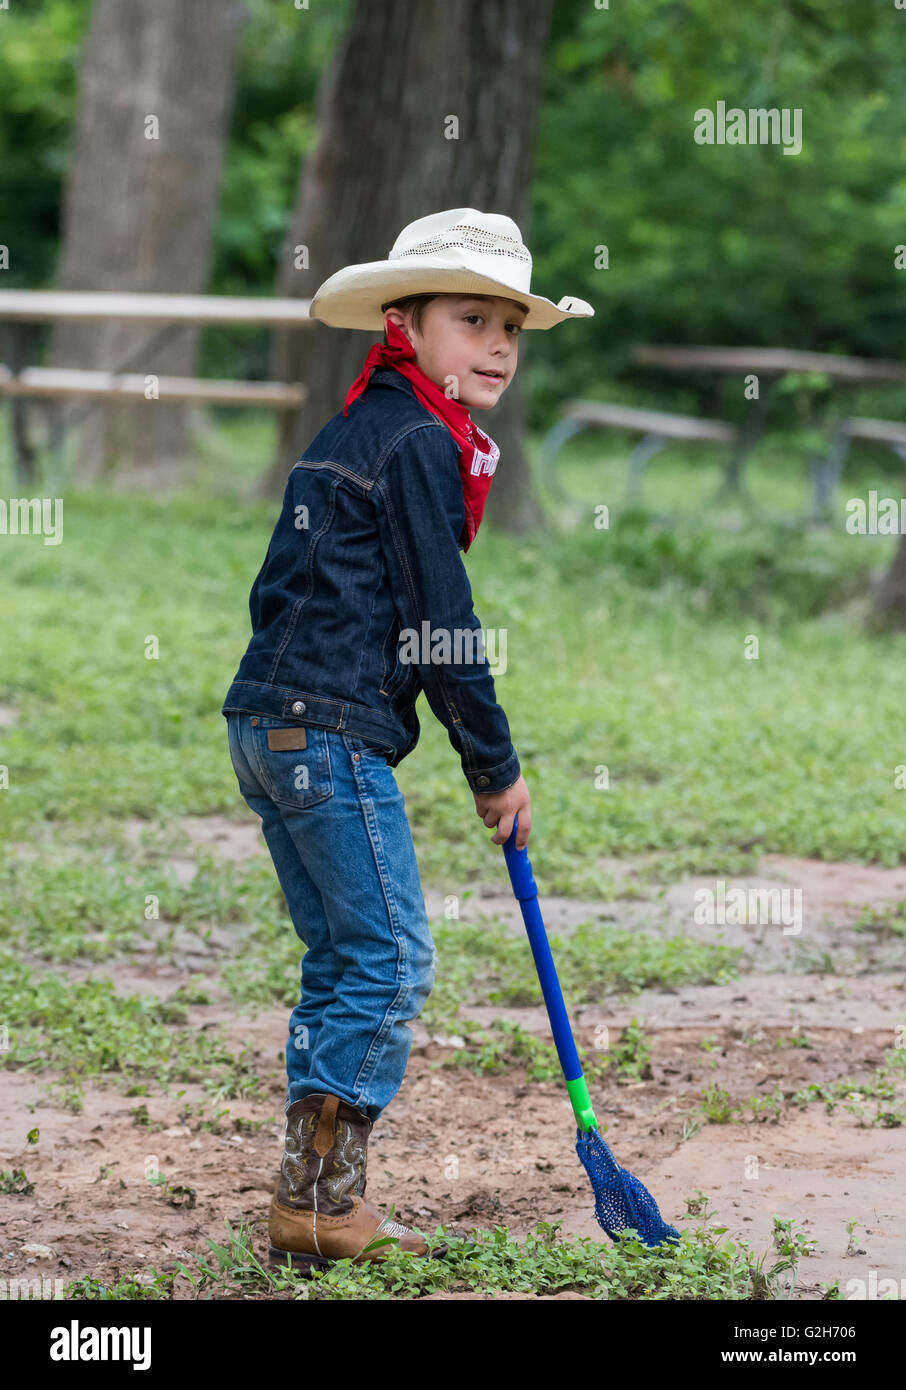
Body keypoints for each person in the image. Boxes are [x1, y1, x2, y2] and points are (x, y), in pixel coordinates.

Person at [221, 208, 593, 1272]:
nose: (497, 346)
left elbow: (285, 591)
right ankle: (326, 1204)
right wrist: (497, 766)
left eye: (511, 329)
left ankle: (309, 1201)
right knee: (388, 958)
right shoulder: (422, 441)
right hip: (327, 734)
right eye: (472, 319)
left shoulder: (360, 428)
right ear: (405, 323)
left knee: (344, 954)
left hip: (268, 724)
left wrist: (281, 714)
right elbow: (443, 625)